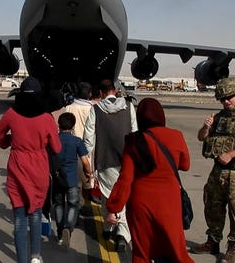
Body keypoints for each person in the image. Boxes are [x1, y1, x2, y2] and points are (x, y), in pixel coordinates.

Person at [105, 98, 194, 263]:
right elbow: (185, 165)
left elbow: (125, 178)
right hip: (170, 201)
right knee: (176, 249)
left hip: (141, 202)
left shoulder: (133, 140)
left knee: (141, 251)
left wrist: (114, 207)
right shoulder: (176, 136)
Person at [190, 77, 235, 263]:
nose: (226, 101)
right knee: (212, 206)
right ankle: (212, 241)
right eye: (222, 99)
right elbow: (201, 138)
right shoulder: (220, 117)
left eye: (229, 97)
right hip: (218, 171)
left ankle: (233, 247)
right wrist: (206, 127)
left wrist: (232, 154)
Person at [0, 77, 62, 263]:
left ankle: (22, 259)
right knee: (36, 213)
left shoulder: (11, 114)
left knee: (19, 217)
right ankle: (36, 256)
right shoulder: (47, 117)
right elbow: (57, 148)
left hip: (17, 165)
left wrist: (11, 143)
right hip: (38, 166)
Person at [83, 79, 137, 252]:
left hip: (105, 160)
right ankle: (122, 233)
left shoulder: (96, 109)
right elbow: (135, 133)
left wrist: (87, 163)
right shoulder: (129, 107)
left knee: (108, 195)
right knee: (124, 195)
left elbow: (88, 138)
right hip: (126, 159)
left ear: (101, 93)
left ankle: (108, 228)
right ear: (115, 90)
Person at [53, 112, 93, 249]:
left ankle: (59, 232)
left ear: (59, 124)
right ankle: (68, 228)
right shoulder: (77, 141)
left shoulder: (54, 140)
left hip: (57, 178)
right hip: (72, 179)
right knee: (73, 205)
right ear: (73, 126)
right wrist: (88, 173)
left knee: (58, 205)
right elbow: (85, 161)